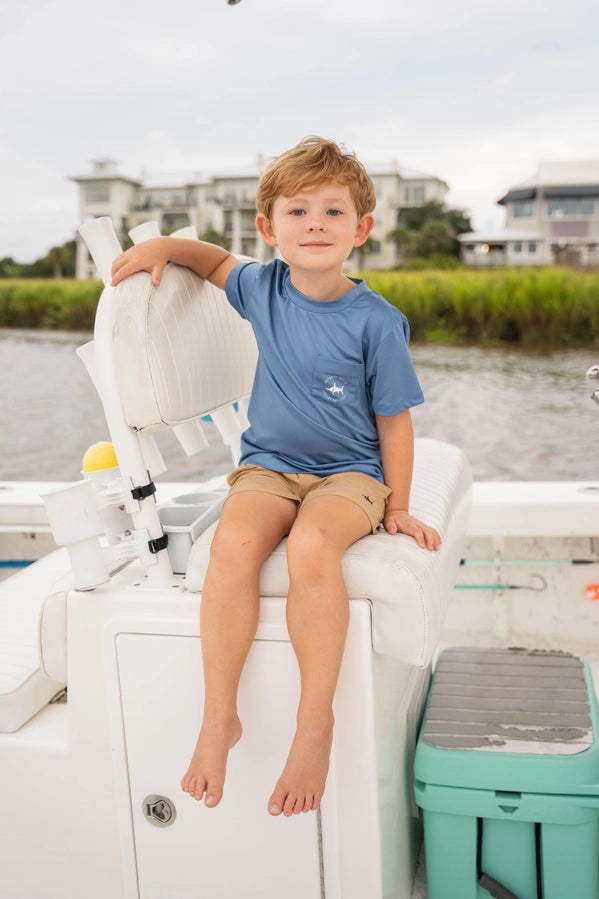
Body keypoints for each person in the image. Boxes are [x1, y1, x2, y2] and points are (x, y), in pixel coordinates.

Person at [111, 136, 441, 818]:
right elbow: (211, 262)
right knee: (231, 546)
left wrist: (399, 505)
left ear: (361, 229)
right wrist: (164, 247)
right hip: (268, 469)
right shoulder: (261, 287)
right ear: (269, 227)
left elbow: (395, 422)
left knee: (313, 546)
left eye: (332, 211)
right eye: (298, 212)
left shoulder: (377, 323)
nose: (315, 224)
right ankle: (219, 716)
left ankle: (314, 723)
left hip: (349, 475)